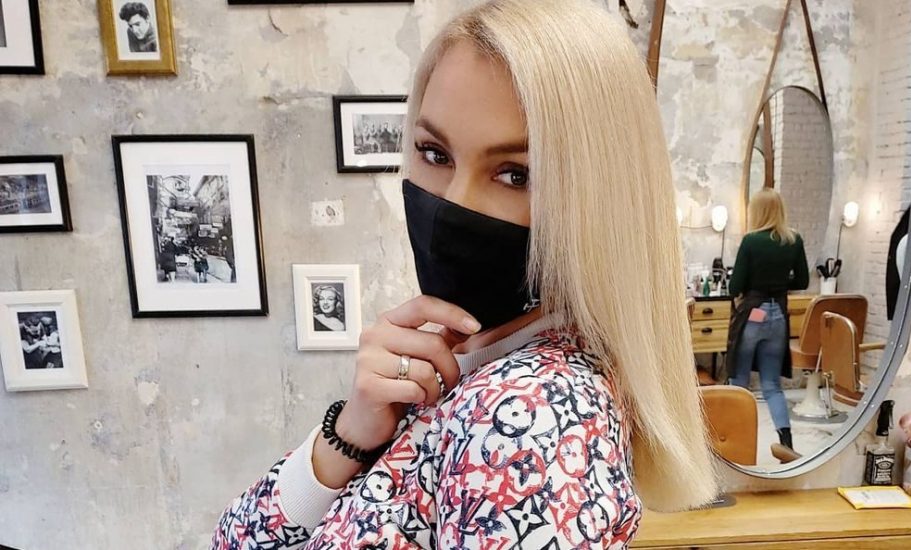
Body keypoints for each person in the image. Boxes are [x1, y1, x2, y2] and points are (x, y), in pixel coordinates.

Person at [213, 1, 716, 548]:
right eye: (434, 154)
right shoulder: (460, 368)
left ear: (598, 198)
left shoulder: (527, 415)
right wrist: (351, 433)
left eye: (516, 174)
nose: (454, 203)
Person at [725, 189, 810, 451]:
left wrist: (753, 283)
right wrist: (780, 283)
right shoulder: (793, 240)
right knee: (772, 385)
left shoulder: (751, 241)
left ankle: (734, 441)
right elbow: (803, 281)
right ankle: (786, 442)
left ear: (757, 212)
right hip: (778, 315)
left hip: (754, 312)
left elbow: (735, 286)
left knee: (739, 381)